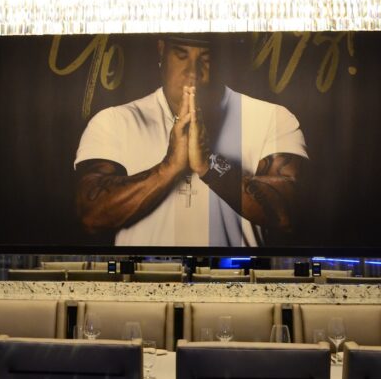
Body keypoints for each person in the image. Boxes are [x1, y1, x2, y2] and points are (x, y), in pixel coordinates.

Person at [73, 36, 308, 247]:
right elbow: (90, 215)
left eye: (205, 58)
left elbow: (289, 213)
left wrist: (208, 165)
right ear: (161, 51)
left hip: (238, 284)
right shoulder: (115, 120)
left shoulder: (272, 118)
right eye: (181, 54)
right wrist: (169, 167)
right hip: (143, 284)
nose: (192, 72)